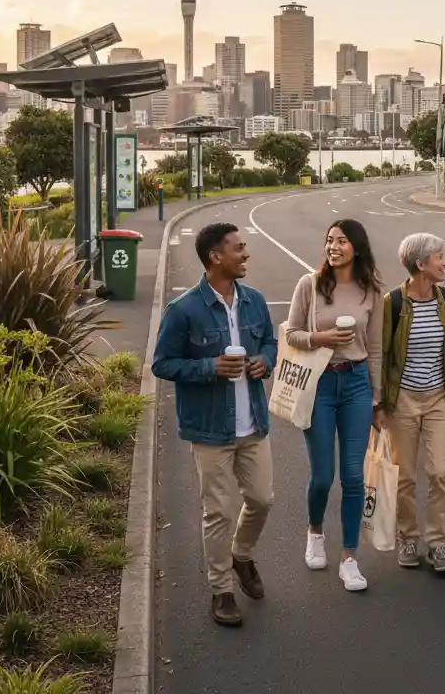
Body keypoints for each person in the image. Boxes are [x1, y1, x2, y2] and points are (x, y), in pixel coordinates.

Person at [151, 222, 277, 628]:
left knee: (262, 499)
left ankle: (241, 556)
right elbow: (162, 363)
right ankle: (221, 590)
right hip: (209, 430)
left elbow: (271, 343)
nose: (246, 254)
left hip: (253, 423)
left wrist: (266, 362)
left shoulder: (254, 301)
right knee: (218, 512)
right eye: (239, 248)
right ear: (215, 257)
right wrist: (209, 366)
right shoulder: (184, 309)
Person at [285, 219, 383, 592]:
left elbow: (375, 349)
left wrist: (378, 397)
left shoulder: (370, 291)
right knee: (323, 475)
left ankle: (350, 557)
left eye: (341, 241)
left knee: (355, 476)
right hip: (320, 383)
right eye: (329, 240)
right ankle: (314, 533)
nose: (333, 246)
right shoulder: (310, 284)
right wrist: (319, 337)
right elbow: (291, 332)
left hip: (357, 384)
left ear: (356, 247)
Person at [381, 233, 445, 573]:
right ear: (420, 265)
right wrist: (380, 404)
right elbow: (382, 354)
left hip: (437, 399)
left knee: (441, 471)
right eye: (439, 257)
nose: (444, 262)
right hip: (402, 400)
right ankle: (408, 537)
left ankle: (437, 542)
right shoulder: (394, 304)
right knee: (404, 477)